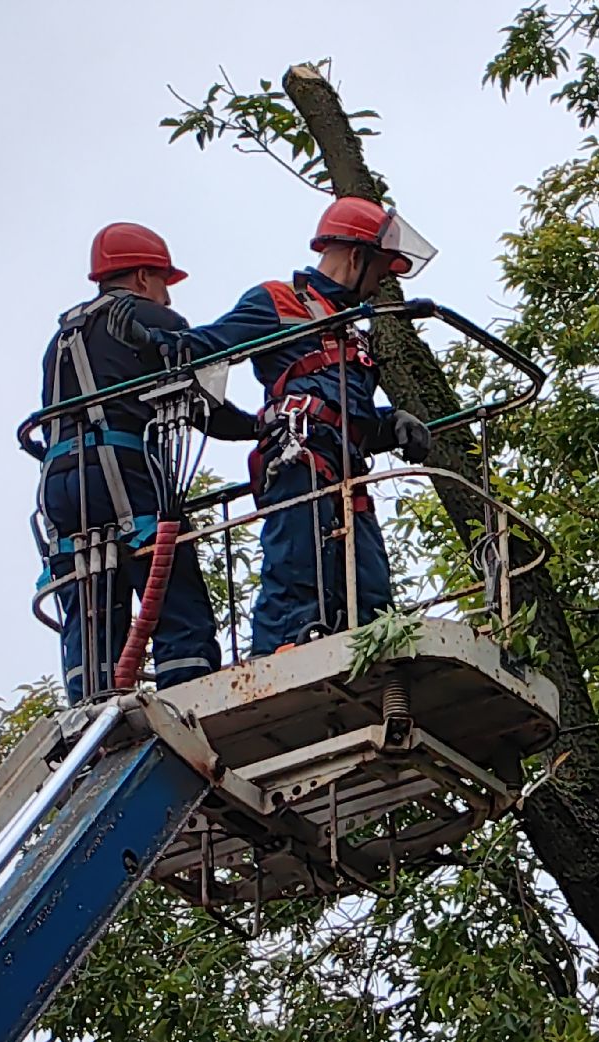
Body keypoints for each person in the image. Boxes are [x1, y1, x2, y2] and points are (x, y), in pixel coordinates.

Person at [130, 196, 437, 655]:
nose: (379, 286)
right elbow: (209, 344)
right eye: (378, 271)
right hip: (300, 455)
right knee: (298, 573)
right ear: (356, 256)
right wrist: (151, 341)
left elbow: (347, 407)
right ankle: (281, 652)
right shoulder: (278, 301)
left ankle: (370, 657)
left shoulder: (353, 329)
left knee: (369, 587)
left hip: (346, 465)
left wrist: (390, 424)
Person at [34, 222, 255, 701]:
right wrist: (259, 427)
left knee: (92, 601)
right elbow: (204, 406)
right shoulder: (151, 322)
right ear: (139, 278)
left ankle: (89, 707)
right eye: (162, 285)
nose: (168, 301)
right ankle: (188, 700)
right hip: (126, 471)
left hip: (60, 486)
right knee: (175, 599)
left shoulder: (61, 340)